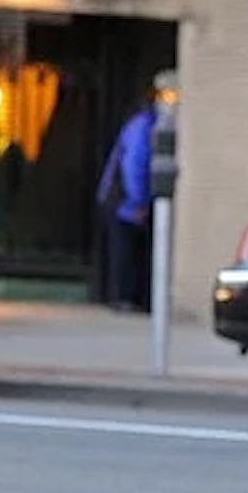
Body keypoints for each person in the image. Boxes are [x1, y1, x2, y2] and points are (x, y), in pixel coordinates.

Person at [96, 70, 177, 312]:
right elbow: (135, 165)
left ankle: (132, 297)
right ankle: (125, 298)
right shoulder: (143, 125)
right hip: (124, 200)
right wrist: (138, 201)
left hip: (129, 198)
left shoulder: (147, 123)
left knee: (132, 249)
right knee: (126, 249)